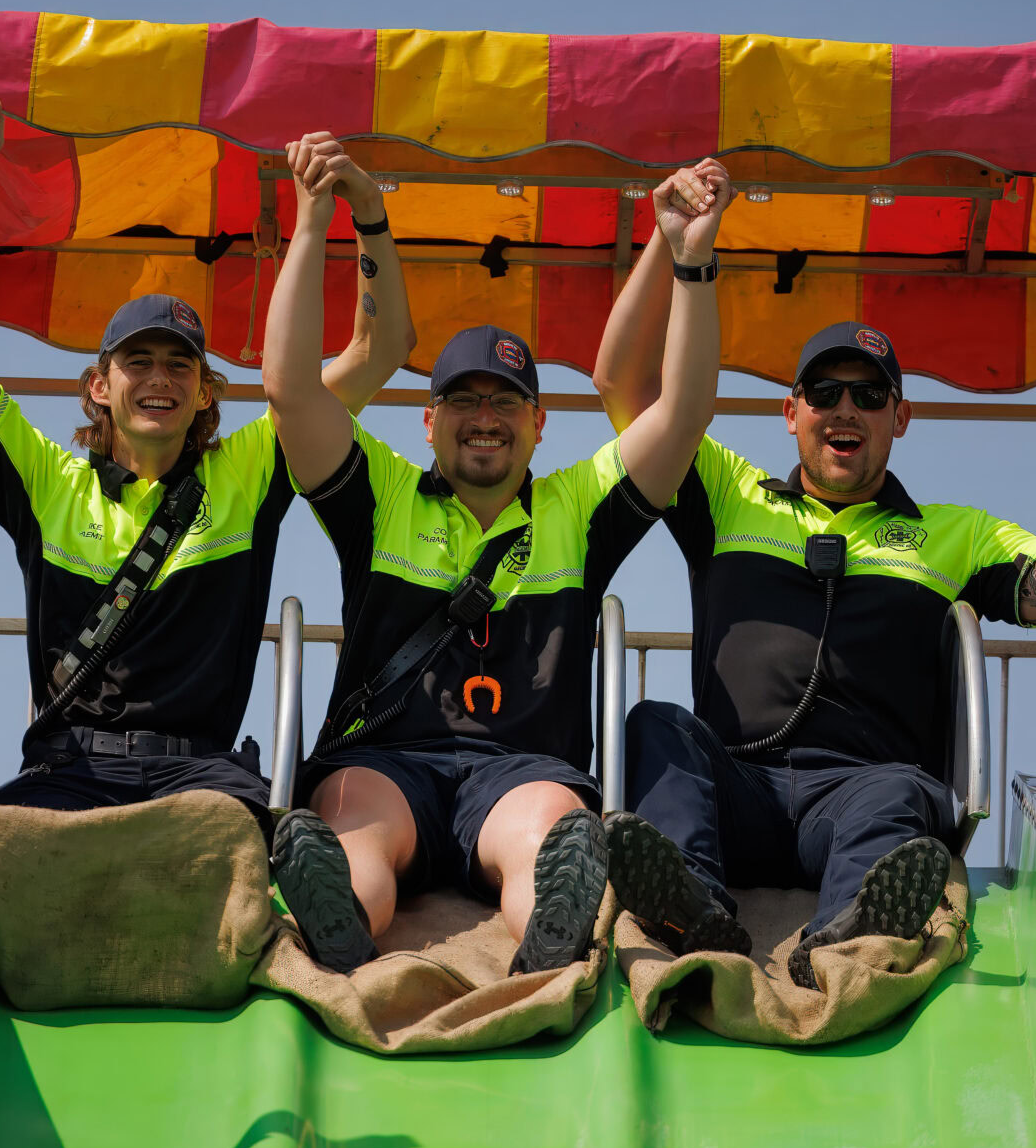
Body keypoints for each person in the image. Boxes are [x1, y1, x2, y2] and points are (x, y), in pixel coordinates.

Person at [589, 235, 1036, 981]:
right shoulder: (728, 493)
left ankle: (844, 939)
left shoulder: (958, 534)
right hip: (738, 789)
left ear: (902, 415)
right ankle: (691, 906)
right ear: (790, 413)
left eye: (868, 393)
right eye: (824, 393)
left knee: (899, 788)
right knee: (655, 724)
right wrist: (671, 243)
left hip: (859, 796)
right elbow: (621, 383)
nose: (844, 408)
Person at [259, 149, 736, 975]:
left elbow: (684, 411)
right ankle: (337, 913)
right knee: (352, 836)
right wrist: (313, 222)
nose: (486, 416)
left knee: (550, 829)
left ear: (540, 423)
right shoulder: (381, 494)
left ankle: (550, 934)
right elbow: (291, 391)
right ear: (429, 420)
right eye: (465, 399)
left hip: (518, 773)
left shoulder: (577, 506)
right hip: (382, 761)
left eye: (506, 400)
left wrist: (688, 263)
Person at [0, 95, 411, 818]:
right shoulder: (49, 479)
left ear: (207, 392)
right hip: (67, 771)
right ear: (99, 385)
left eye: (180, 367)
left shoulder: (251, 466)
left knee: (264, 845)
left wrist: (362, 214)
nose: (158, 379)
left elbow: (380, 349)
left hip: (202, 781)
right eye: (137, 361)